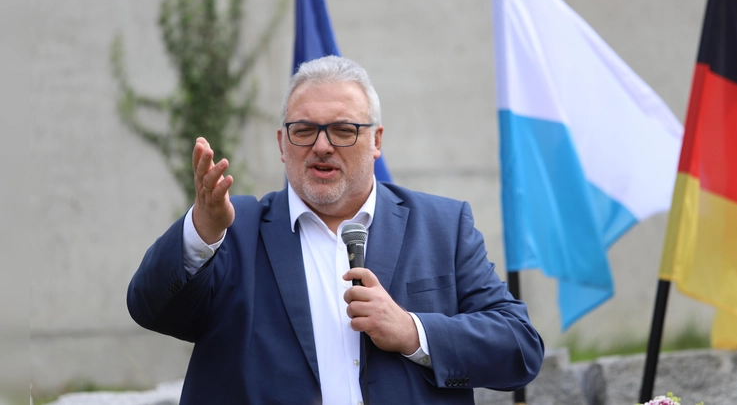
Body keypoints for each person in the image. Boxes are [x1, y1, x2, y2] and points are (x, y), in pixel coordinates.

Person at [127, 56, 544, 404]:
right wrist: (201, 230)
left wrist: (412, 331)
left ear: (376, 141)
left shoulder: (442, 227)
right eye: (304, 130)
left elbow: (519, 348)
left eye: (344, 130)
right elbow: (148, 308)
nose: (322, 145)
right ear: (282, 143)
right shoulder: (234, 230)